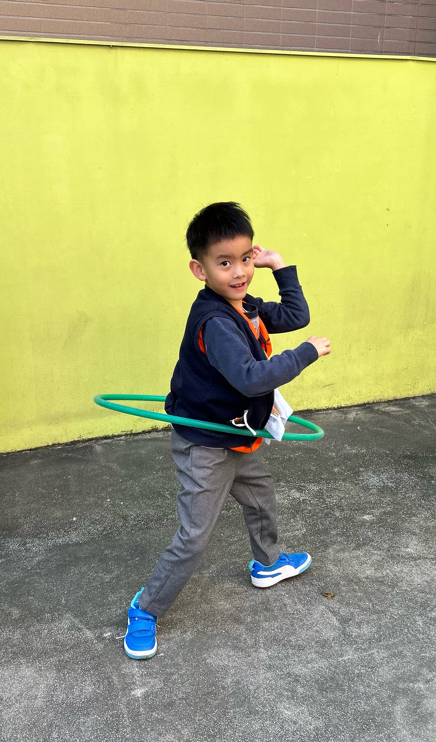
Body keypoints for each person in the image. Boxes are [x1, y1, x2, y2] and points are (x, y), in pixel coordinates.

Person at [124, 201, 332, 659]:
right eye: (224, 263)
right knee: (195, 536)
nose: (239, 272)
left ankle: (268, 563)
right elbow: (251, 378)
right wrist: (304, 354)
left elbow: (296, 316)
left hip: (238, 433)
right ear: (199, 269)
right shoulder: (216, 321)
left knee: (260, 498)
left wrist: (279, 266)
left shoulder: (244, 305)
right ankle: (145, 608)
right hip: (206, 444)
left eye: (245, 258)